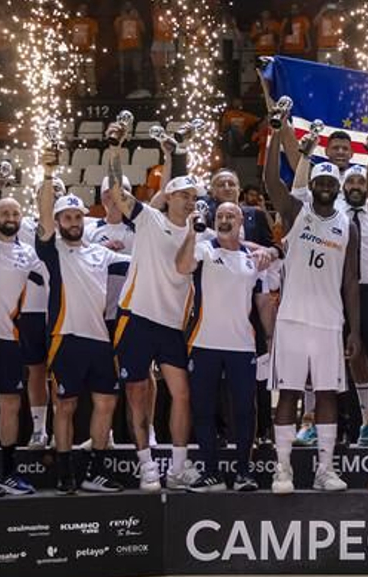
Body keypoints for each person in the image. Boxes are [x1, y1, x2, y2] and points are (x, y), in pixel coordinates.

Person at [104, 134, 201, 493]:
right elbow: (117, 192)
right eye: (183, 195)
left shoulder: (198, 234)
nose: (189, 201)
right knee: (137, 391)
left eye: (194, 197)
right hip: (137, 317)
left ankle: (177, 467)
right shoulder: (148, 218)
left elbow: (182, 267)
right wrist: (115, 152)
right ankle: (146, 465)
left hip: (173, 325)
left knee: (182, 393)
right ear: (170, 196)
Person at [263, 156, 362, 495]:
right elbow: (271, 181)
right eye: (319, 181)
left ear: (337, 188)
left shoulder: (347, 226)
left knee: (327, 395)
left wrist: (355, 330)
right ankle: (283, 468)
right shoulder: (296, 212)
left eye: (329, 182)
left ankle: (325, 468)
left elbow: (351, 281)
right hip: (292, 319)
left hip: (330, 322)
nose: (324, 186)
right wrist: (276, 132)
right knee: (289, 393)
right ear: (313, 186)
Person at [34, 164, 130, 495]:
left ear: (83, 220)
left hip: (102, 341)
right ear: (58, 223)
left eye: (77, 217)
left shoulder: (101, 253)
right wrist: (48, 175)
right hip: (66, 339)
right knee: (66, 407)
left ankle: (96, 473)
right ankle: (65, 475)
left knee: (106, 405)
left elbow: (144, 261)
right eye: (66, 218)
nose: (73, 223)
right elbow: (43, 215)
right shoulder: (51, 250)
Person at [177, 201, 276, 490]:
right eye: (219, 216)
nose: (223, 220)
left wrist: (269, 339)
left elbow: (263, 301)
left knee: (246, 410)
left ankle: (244, 472)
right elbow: (182, 266)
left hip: (242, 346)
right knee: (204, 410)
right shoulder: (204, 249)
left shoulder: (254, 258)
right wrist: (192, 231)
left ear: (240, 221)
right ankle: (211, 472)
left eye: (230, 216)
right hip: (203, 343)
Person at [0, 195, 43, 495]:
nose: (11, 217)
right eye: (5, 212)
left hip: (10, 340)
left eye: (16, 212)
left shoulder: (28, 253)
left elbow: (58, 259)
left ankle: (8, 471)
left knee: (10, 405)